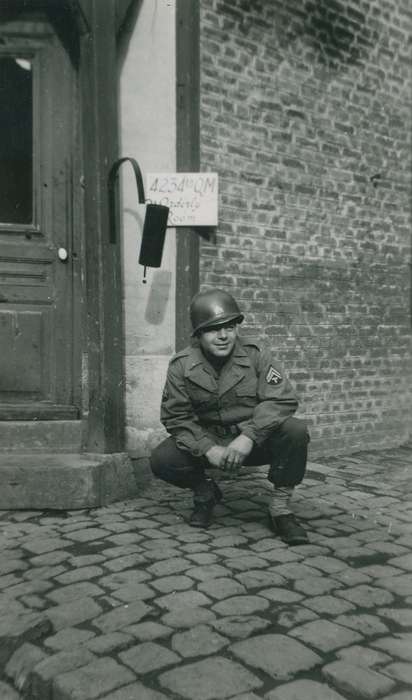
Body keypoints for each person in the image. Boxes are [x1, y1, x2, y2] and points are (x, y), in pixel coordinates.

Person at [150, 288, 310, 545]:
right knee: (162, 459)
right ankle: (205, 493)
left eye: (230, 327)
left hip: (253, 442)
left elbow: (281, 399)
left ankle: (280, 509)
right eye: (213, 329)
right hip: (211, 443)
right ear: (199, 334)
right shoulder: (181, 366)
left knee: (295, 431)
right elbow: (176, 416)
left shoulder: (256, 356)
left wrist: (249, 436)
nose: (224, 336)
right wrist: (206, 448)